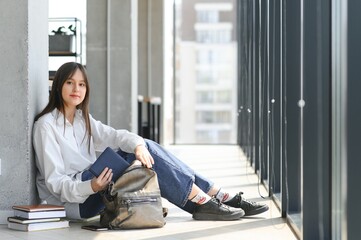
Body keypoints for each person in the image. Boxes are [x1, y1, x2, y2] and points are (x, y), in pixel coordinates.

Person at [33, 62, 269, 221]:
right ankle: (210, 198)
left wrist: (138, 145)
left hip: (95, 185)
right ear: (58, 86)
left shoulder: (82, 120)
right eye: (70, 83)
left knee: (142, 147)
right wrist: (91, 186)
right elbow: (55, 184)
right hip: (76, 201)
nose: (77, 89)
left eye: (82, 84)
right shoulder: (46, 126)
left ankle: (209, 199)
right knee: (134, 155)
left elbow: (116, 135)